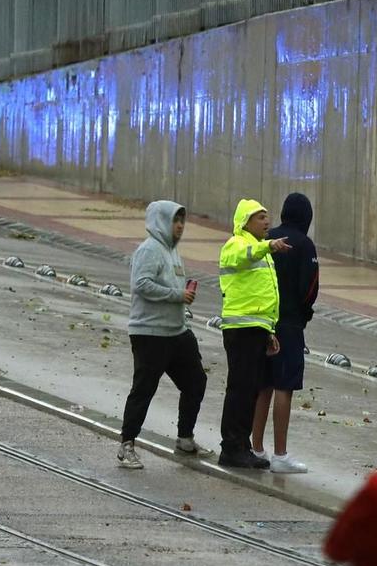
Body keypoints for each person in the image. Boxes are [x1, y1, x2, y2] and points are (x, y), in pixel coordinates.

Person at [116, 200, 206, 469]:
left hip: (176, 331)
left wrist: (183, 296)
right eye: (174, 221)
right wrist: (177, 295)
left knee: (196, 381)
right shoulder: (150, 250)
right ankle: (127, 444)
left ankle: (185, 438)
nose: (179, 226)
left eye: (182, 221)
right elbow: (141, 284)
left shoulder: (172, 251)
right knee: (144, 389)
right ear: (161, 222)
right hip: (150, 333)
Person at [216, 199, 291, 470]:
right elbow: (242, 255)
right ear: (245, 222)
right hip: (241, 329)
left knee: (249, 389)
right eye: (260, 217)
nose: (266, 221)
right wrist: (268, 245)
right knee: (240, 389)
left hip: (256, 329)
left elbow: (264, 296)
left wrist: (269, 330)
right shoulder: (237, 244)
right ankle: (231, 447)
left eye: (266, 216)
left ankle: (241, 445)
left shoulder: (263, 251)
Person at [253, 192, 318, 474]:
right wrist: (303, 313)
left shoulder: (268, 238)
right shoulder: (304, 245)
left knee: (262, 385)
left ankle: (255, 448)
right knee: (284, 386)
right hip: (290, 324)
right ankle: (280, 454)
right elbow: (310, 288)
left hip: (263, 321)